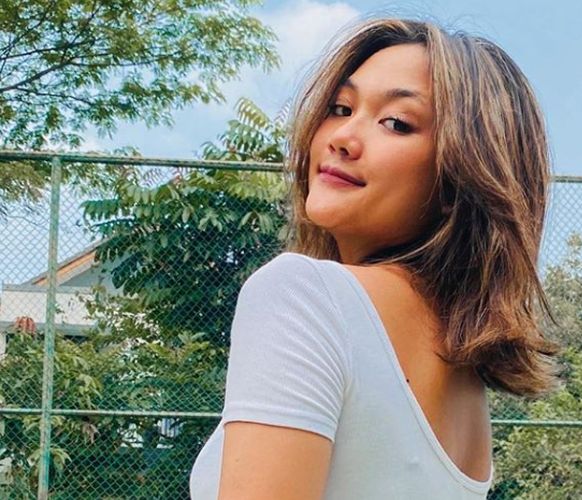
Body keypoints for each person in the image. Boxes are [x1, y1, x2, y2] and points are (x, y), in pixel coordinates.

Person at [190, 18, 559, 499]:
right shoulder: (464, 377)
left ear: (462, 175)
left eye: (397, 123)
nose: (343, 137)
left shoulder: (302, 293)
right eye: (341, 108)